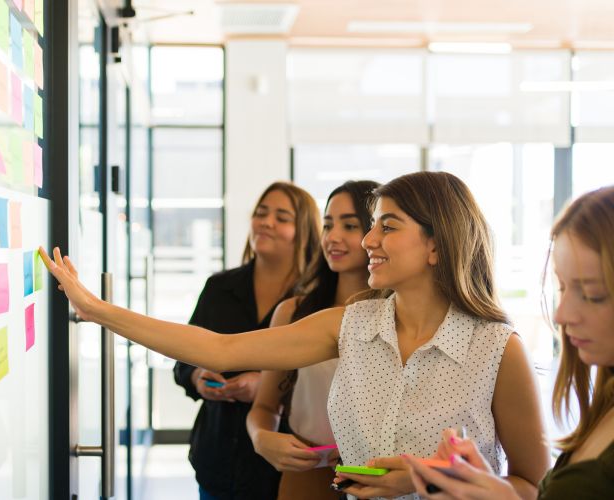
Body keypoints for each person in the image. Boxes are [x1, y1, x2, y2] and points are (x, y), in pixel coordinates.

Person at [38, 171, 550, 499]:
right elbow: (219, 347)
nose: (367, 240)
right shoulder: (350, 325)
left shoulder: (496, 351)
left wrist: (428, 482)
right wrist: (96, 309)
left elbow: (533, 487)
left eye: (386, 227)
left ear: (438, 245)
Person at [404, 186, 614, 500]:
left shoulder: (499, 344)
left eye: (592, 295)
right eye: (562, 288)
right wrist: (485, 488)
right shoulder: (604, 406)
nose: (561, 314)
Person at [173, 181, 322, 500]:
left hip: (280, 467)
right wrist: (198, 376)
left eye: (282, 217)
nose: (266, 222)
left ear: (305, 231)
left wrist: (266, 386)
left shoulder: (313, 302)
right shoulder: (219, 287)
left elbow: (323, 381)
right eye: (261, 213)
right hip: (216, 458)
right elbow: (183, 361)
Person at [245, 180, 379, 500]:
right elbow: (263, 407)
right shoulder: (293, 311)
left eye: (350, 226)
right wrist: (262, 438)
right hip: (307, 471)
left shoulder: (398, 316)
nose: (333, 237)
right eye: (328, 225)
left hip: (378, 475)